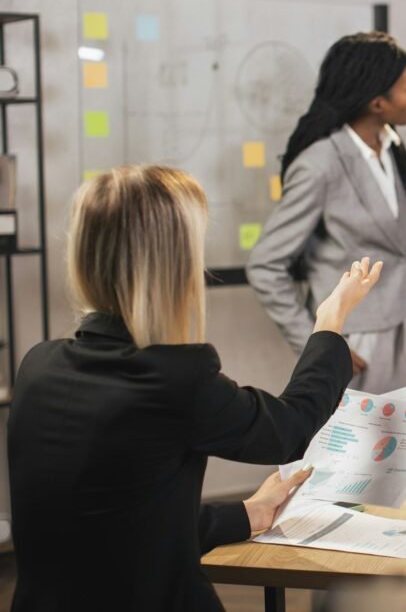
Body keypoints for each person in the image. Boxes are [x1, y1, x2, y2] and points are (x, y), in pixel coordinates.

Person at [7, 165, 383, 612]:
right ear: (172, 267)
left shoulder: (37, 367)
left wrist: (246, 514)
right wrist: (329, 324)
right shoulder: (174, 381)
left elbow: (115, 518)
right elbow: (290, 427)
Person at [247, 31, 406, 394]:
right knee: (348, 448)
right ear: (377, 103)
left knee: (391, 446)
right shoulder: (321, 164)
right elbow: (265, 264)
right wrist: (318, 343)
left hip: (399, 320)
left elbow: (392, 245)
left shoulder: (388, 148)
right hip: (353, 335)